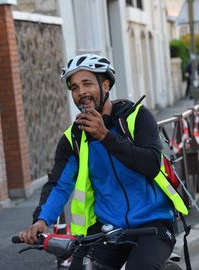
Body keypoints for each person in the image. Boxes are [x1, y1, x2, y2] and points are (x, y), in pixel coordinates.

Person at [19, 53, 184, 269]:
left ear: (105, 85)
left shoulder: (136, 117)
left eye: (87, 83)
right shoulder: (74, 138)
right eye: (75, 88)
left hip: (153, 223)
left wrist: (106, 136)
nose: (81, 92)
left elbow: (151, 164)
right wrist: (42, 220)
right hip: (107, 227)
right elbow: (59, 185)